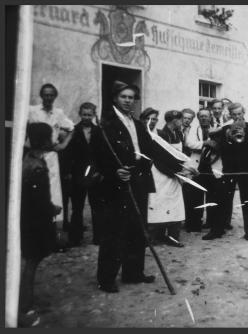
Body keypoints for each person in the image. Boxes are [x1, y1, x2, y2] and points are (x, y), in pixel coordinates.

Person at [92, 81, 156, 293]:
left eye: (131, 97)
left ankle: (133, 273)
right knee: (115, 232)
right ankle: (106, 278)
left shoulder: (137, 124)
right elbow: (95, 160)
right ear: (114, 98)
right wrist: (113, 173)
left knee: (137, 229)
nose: (128, 101)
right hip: (117, 185)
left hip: (138, 181)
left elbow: (149, 150)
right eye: (124, 97)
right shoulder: (104, 126)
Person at [18, 123, 62, 326]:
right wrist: (52, 209)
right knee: (31, 263)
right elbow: (37, 199)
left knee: (30, 262)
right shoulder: (35, 165)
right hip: (35, 220)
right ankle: (24, 308)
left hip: (32, 217)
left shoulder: (30, 159)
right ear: (43, 140)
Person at [27, 83, 74, 242]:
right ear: (41, 95)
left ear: (55, 96)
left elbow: (71, 128)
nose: (48, 97)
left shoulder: (58, 113)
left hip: (51, 157)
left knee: (53, 192)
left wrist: (63, 144)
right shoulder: (31, 110)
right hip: (35, 154)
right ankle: (35, 233)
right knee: (35, 192)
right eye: (45, 94)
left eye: (51, 95)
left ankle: (54, 234)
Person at [63, 102, 105, 246]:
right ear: (80, 114)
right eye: (84, 114)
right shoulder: (73, 131)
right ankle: (75, 237)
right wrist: (68, 172)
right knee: (77, 207)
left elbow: (103, 154)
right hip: (77, 175)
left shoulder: (99, 131)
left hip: (94, 174)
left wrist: (100, 171)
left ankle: (99, 236)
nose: (86, 117)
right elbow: (68, 154)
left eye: (89, 114)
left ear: (94, 115)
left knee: (97, 206)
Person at [217, 102, 248, 241]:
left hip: (246, 169)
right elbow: (222, 149)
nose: (237, 117)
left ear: (243, 113)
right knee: (224, 199)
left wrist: (242, 135)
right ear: (230, 115)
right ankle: (219, 229)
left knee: (247, 199)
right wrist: (229, 138)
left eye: (239, 114)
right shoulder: (225, 129)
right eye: (234, 114)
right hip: (230, 169)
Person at [184, 108, 226, 240]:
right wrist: (205, 143)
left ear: (210, 117)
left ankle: (212, 225)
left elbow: (220, 146)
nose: (204, 118)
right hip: (198, 167)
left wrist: (214, 145)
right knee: (195, 196)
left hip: (213, 168)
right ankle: (194, 224)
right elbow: (189, 143)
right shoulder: (194, 130)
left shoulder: (218, 129)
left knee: (213, 198)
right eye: (201, 116)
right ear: (198, 118)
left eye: (206, 116)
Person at [153, 110, 186, 247]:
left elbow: (180, 154)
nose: (182, 122)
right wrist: (174, 172)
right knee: (162, 204)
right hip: (163, 174)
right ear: (174, 120)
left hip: (176, 174)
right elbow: (160, 158)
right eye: (180, 119)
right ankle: (159, 235)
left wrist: (182, 170)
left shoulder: (178, 133)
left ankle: (173, 236)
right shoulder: (161, 134)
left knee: (175, 205)